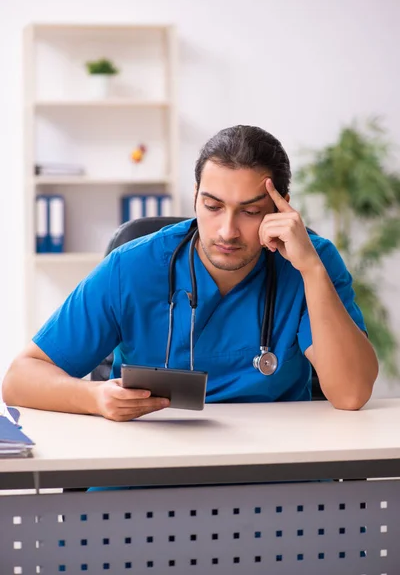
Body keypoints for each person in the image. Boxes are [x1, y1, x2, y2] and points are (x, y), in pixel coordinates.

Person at [3, 125, 378, 420]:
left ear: (282, 209)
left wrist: (310, 269)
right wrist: (94, 396)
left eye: (249, 212)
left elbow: (350, 394)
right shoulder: (132, 267)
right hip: (151, 475)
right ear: (195, 195)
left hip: (277, 475)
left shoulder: (312, 262)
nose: (227, 230)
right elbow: (21, 378)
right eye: (212, 206)